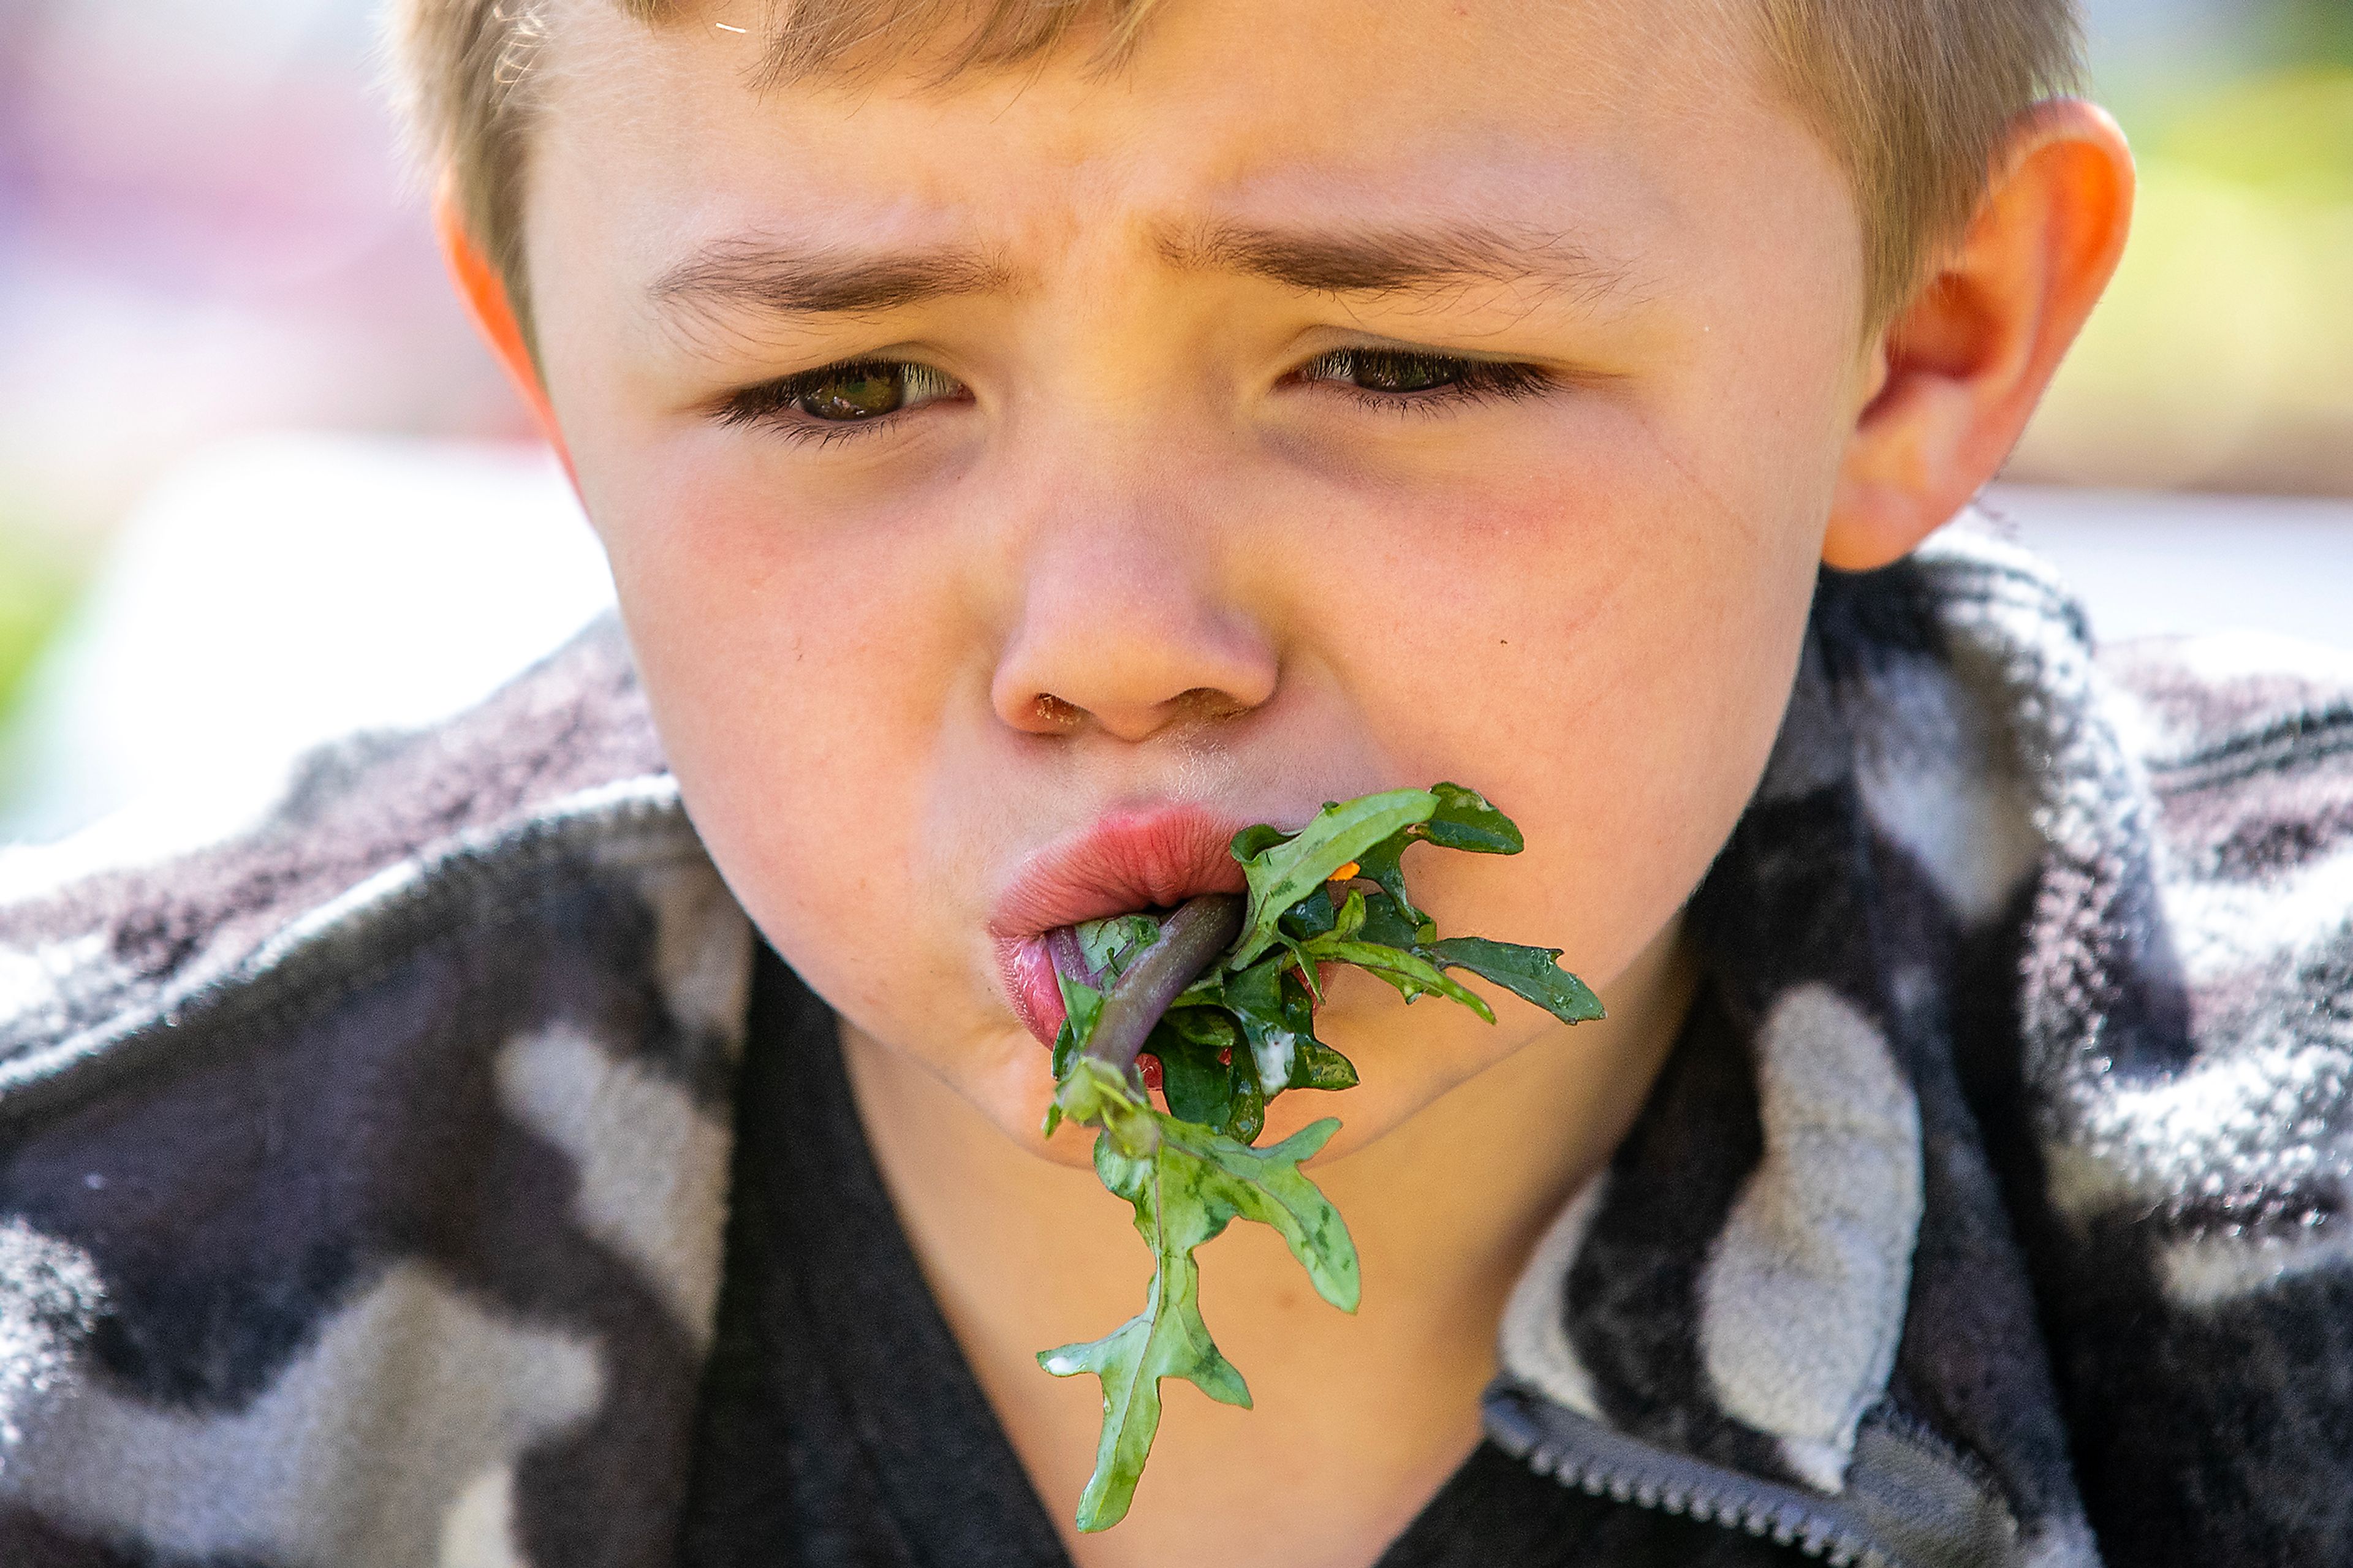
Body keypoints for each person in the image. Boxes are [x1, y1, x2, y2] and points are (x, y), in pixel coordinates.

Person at [1, 0, 2347, 1563]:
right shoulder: (80, 1271)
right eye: (842, 389)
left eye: (1403, 361)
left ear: (1920, 341)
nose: (1116, 643)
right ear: (558, 389)